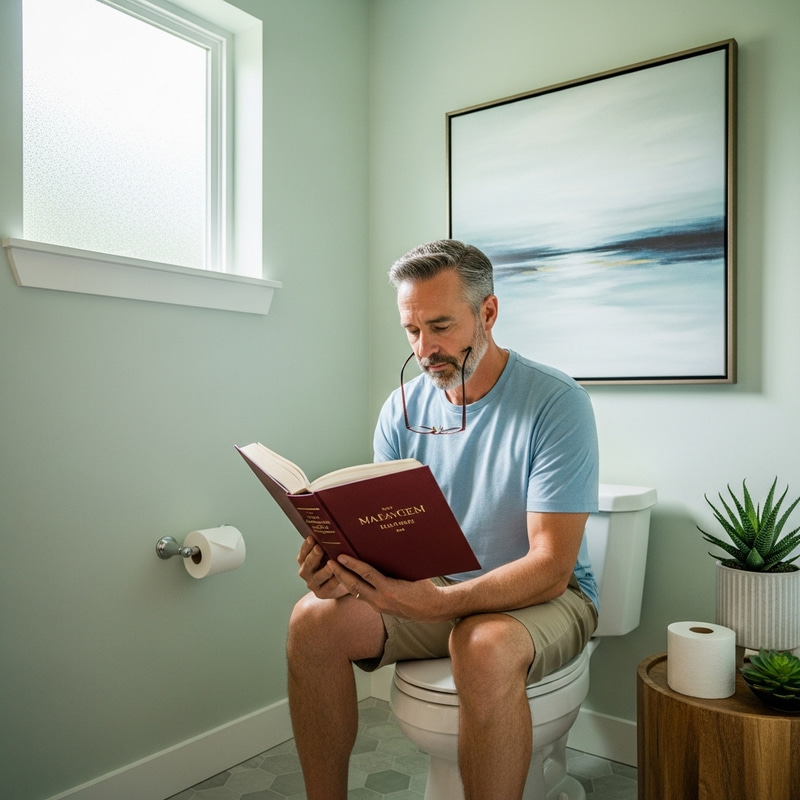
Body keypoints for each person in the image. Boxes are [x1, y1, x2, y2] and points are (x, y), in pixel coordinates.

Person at [286, 239, 599, 800]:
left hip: (545, 596)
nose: (425, 348)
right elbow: (390, 541)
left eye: (441, 326)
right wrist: (341, 572)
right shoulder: (400, 408)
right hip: (436, 589)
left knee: (481, 644)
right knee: (311, 620)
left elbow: (552, 567)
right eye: (412, 331)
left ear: (488, 313)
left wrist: (445, 604)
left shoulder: (556, 402)